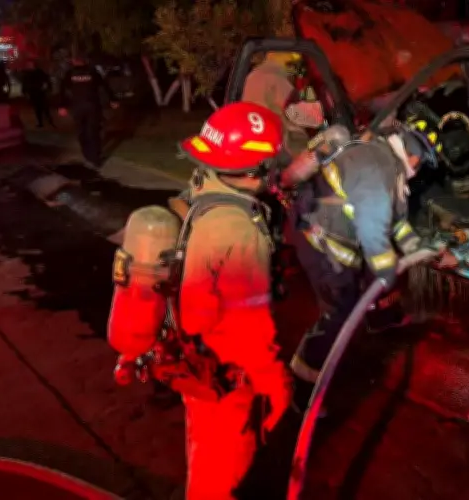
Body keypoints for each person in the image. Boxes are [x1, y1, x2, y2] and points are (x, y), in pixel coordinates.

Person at [175, 102, 292, 499]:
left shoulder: (203, 191)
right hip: (227, 374)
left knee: (204, 461)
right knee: (225, 475)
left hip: (198, 362)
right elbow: (250, 326)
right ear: (255, 169)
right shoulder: (240, 230)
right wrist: (277, 385)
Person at [285, 119, 439, 412]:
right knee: (337, 314)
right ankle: (303, 386)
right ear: (415, 158)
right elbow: (373, 230)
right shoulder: (378, 170)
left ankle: (375, 317)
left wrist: (418, 249)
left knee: (355, 292)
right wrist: (387, 272)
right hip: (322, 247)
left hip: (333, 242)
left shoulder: (383, 161)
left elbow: (396, 222)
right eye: (420, 167)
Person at [242, 51, 323, 300]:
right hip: (275, 157)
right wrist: (317, 102)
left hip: (254, 156)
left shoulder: (254, 76)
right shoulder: (274, 78)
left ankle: (270, 258)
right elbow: (305, 115)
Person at [58, 48, 118, 168]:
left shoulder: (81, 73)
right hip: (90, 107)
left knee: (86, 132)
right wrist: (112, 99)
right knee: (90, 132)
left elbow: (62, 91)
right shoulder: (86, 72)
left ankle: (92, 157)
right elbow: (105, 86)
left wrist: (62, 106)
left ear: (75, 61)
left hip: (83, 107)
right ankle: (92, 157)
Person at [21, 59, 54, 128]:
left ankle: (50, 121)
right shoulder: (26, 74)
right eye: (28, 65)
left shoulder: (39, 72)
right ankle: (40, 122)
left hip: (41, 92)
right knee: (37, 109)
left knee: (45, 108)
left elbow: (46, 80)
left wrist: (47, 87)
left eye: (30, 64)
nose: (28, 66)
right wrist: (25, 92)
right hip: (33, 93)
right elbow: (24, 84)